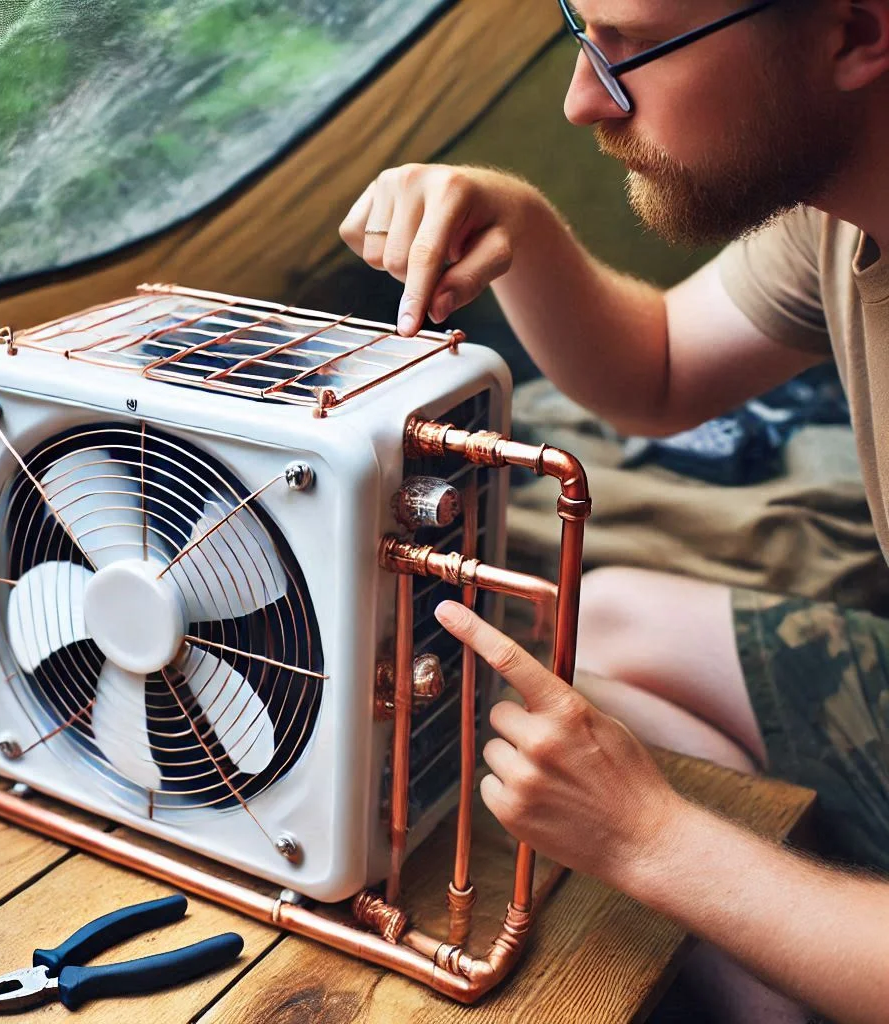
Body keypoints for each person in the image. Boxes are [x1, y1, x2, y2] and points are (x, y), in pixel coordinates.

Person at [339, 2, 889, 1022]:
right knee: (616, 619)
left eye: (633, 45)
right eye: (581, 28)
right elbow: (663, 366)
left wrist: (652, 841)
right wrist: (521, 222)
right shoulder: (842, 208)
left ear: (855, 34)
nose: (582, 97)